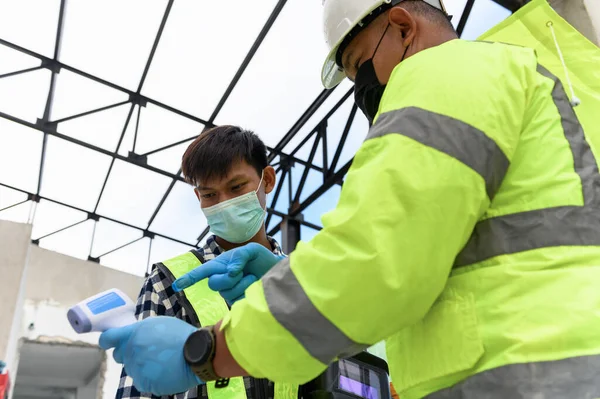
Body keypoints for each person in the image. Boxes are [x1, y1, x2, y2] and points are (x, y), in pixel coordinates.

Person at [100, 0, 600, 398]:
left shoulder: (445, 72)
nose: (361, 89)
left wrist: (207, 350)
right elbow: (424, 264)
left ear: (404, 27)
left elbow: (375, 259)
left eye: (360, 64)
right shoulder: (518, 79)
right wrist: (283, 279)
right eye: (208, 195)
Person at [114, 125, 297, 399]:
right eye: (210, 194)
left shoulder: (302, 276)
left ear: (267, 180)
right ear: (199, 197)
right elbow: (139, 389)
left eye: (236, 187)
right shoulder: (167, 280)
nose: (224, 203)